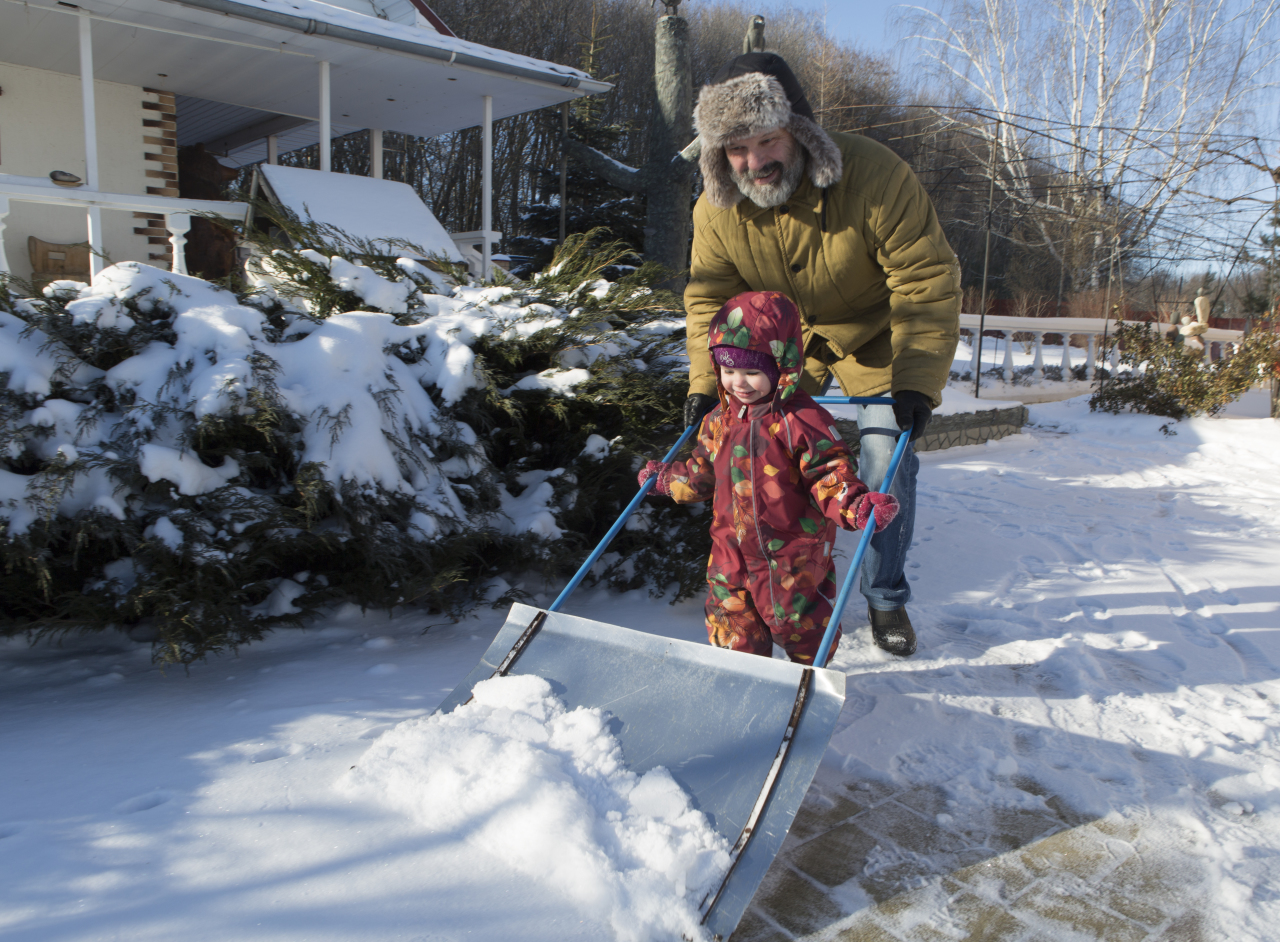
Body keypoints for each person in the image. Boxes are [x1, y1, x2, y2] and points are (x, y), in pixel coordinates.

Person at [681, 52, 961, 656]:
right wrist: (706, 384)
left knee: (885, 459)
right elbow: (711, 297)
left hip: (879, 332)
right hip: (781, 347)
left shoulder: (874, 175)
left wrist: (915, 379)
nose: (754, 162)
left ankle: (884, 596)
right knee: (757, 446)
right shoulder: (717, 207)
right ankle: (782, 578)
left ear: (802, 134)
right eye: (735, 148)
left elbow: (924, 279)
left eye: (767, 140)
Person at [639, 290, 898, 665]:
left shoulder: (803, 422)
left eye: (751, 372)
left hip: (794, 559)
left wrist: (855, 504)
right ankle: (746, 680)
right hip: (730, 552)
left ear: (782, 367)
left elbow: (829, 472)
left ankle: (806, 678)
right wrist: (666, 480)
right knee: (733, 627)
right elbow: (702, 471)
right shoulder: (719, 420)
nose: (738, 383)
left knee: (805, 628)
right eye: (728, 371)